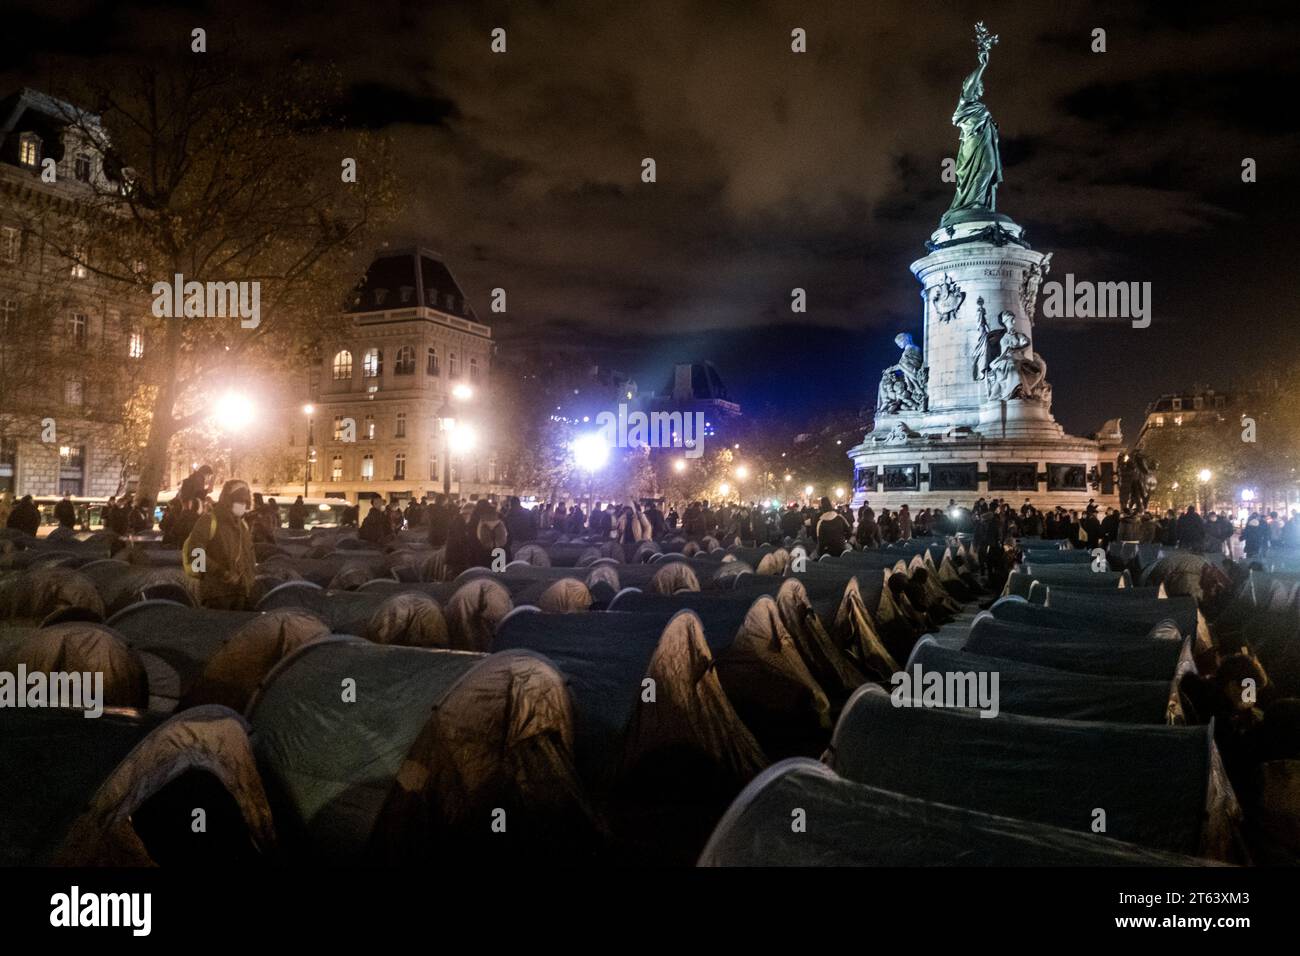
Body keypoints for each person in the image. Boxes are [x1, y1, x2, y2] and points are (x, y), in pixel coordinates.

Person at [183, 479, 256, 610]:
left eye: (245, 502)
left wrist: (249, 583)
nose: (243, 505)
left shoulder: (243, 526)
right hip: (216, 596)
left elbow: (249, 558)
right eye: (239, 501)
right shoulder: (208, 521)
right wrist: (222, 573)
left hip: (242, 595)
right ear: (228, 500)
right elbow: (195, 556)